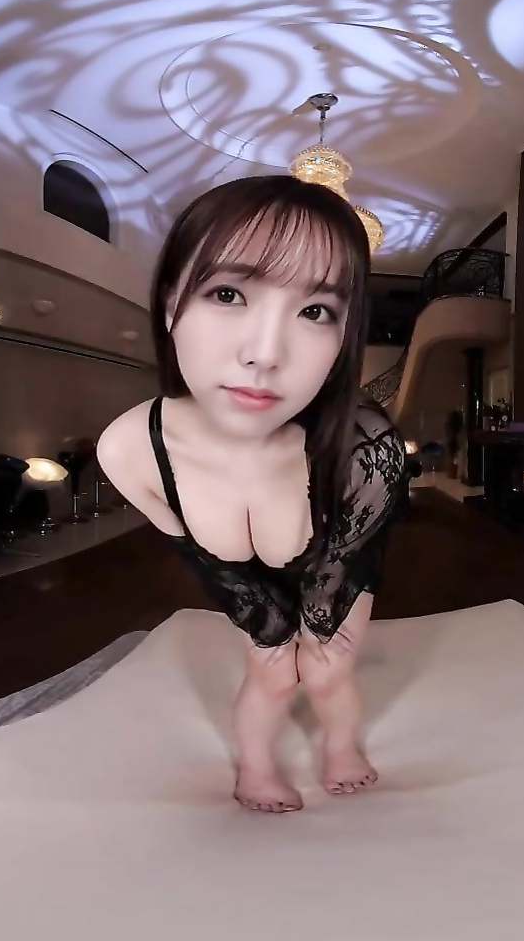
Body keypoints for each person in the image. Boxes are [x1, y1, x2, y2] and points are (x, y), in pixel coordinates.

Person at [97, 174, 408, 813]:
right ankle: (256, 766)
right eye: (228, 293)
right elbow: (206, 563)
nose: (265, 355)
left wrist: (314, 637)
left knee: (325, 670)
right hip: (241, 574)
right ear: (170, 304)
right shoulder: (131, 452)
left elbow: (350, 558)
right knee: (271, 672)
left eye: (315, 311)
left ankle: (340, 745)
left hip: (334, 555)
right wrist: (271, 635)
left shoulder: (365, 448)